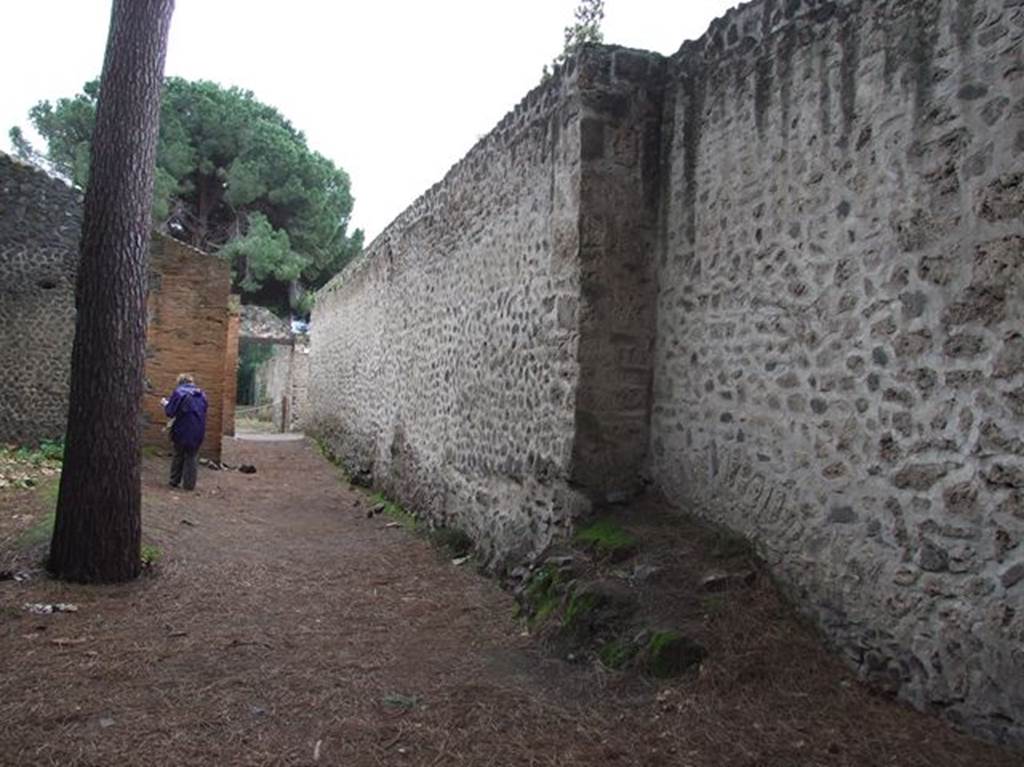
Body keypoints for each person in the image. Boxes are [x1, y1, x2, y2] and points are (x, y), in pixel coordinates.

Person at [161, 373, 209, 491]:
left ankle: (174, 481)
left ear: (180, 382)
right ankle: (189, 485)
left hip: (182, 429)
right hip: (198, 429)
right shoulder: (202, 395)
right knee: (192, 456)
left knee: (178, 454)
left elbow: (170, 412)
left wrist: (165, 403)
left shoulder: (179, 393)